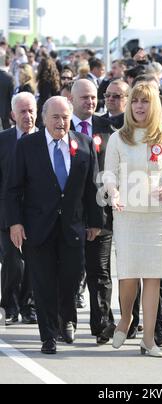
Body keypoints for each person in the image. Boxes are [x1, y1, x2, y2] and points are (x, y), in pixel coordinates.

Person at [6, 96, 102, 354]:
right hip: (38, 227)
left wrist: (95, 222)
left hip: (73, 226)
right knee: (43, 282)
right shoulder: (28, 145)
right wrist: (14, 223)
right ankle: (48, 335)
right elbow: (13, 188)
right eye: (56, 117)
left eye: (65, 117)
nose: (61, 122)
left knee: (71, 278)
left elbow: (92, 186)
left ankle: (66, 318)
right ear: (44, 118)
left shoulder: (83, 143)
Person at [103, 83, 162, 357]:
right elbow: (109, 174)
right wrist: (113, 193)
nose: (139, 106)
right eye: (135, 101)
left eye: (145, 101)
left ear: (155, 106)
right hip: (126, 214)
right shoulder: (118, 138)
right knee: (128, 276)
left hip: (157, 217)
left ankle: (148, 341)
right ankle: (126, 318)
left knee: (153, 278)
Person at [70, 79, 117, 343]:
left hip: (102, 214)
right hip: (70, 215)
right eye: (84, 98)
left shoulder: (108, 129)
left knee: (100, 273)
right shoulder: (60, 128)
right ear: (73, 100)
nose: (90, 102)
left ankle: (101, 325)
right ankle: (67, 321)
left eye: (93, 97)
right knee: (71, 271)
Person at [0, 92, 38, 325]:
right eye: (22, 111)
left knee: (34, 262)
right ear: (13, 115)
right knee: (13, 260)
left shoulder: (45, 138)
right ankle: (9, 305)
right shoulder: (3, 140)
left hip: (36, 212)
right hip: (6, 213)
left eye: (31, 110)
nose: (28, 116)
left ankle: (29, 305)